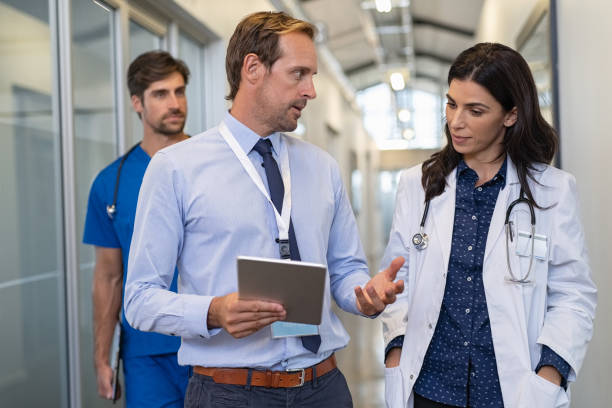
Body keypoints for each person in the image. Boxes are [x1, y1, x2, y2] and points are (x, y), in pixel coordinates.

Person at [124, 11, 404, 408]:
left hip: (323, 387)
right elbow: (139, 298)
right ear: (253, 68)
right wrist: (214, 311)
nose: (311, 91)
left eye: (313, 76)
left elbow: (345, 270)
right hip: (229, 393)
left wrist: (364, 294)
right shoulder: (176, 168)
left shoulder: (322, 167)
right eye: (299, 74)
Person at [380, 42, 597, 408]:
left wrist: (550, 373)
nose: (455, 121)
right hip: (429, 387)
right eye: (451, 104)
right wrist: (395, 351)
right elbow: (397, 281)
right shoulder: (416, 185)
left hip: (512, 392)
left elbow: (573, 295)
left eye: (474, 110)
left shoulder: (553, 190)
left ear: (510, 115)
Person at [83, 50, 191, 407]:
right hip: (145, 352)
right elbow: (109, 277)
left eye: (179, 91)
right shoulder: (110, 184)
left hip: (216, 344)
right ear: (137, 103)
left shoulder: (216, 165)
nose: (174, 103)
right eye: (161, 94)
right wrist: (102, 357)